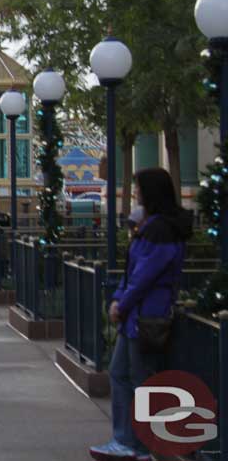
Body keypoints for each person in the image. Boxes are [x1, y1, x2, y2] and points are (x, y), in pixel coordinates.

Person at [88, 168, 190, 461]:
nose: (135, 194)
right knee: (121, 373)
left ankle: (138, 444)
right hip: (137, 316)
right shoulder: (155, 226)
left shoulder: (160, 230)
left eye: (138, 189)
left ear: (151, 193)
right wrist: (121, 298)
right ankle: (126, 439)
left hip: (146, 317)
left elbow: (144, 275)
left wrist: (122, 303)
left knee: (140, 380)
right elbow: (135, 271)